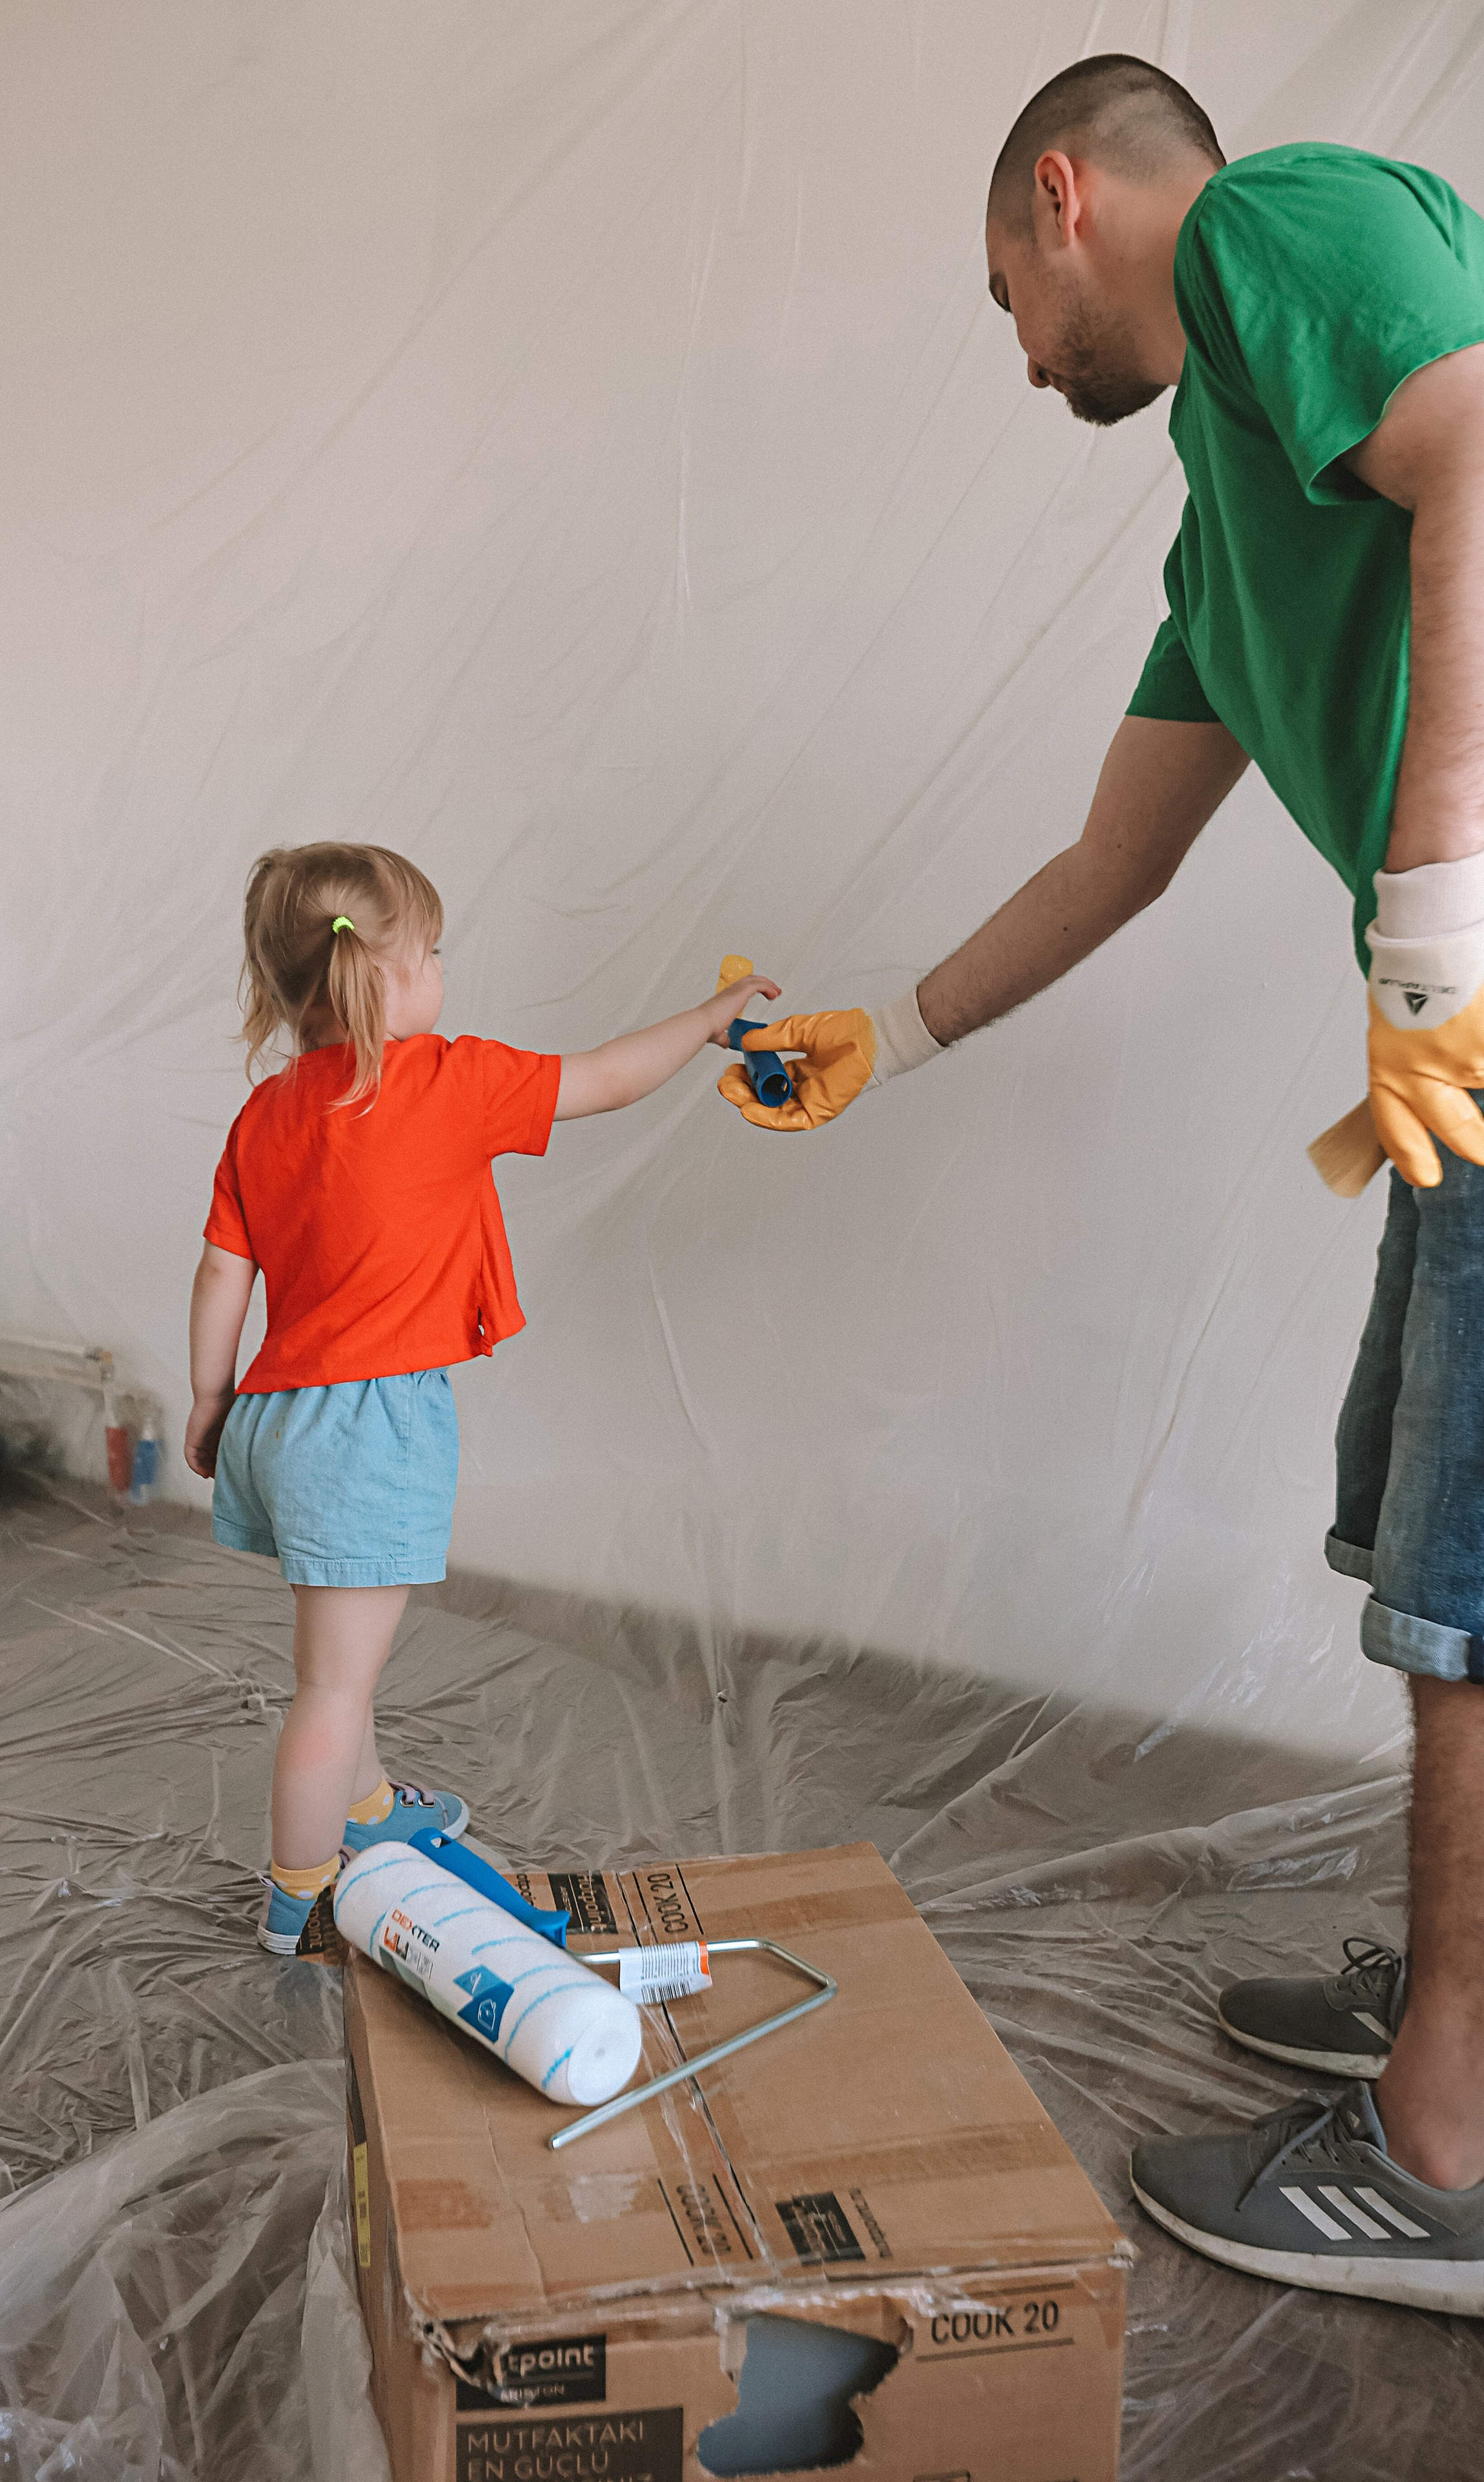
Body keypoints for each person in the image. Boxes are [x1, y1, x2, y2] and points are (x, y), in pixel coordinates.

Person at [717, 54, 1484, 2313]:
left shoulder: (1276, 230)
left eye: (1001, 295)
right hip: (1461, 1051)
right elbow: (1116, 856)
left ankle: (1446, 2149)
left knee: (1465, 1584)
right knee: (1420, 1522)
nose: (1017, 346)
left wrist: (1436, 894)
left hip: (1479, 994)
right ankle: (1459, 2000)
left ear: (1069, 200)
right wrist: (902, 1025)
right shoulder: (1222, 500)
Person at [187, 842, 776, 1955]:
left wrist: (211, 1403)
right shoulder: (445, 1080)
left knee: (338, 1663)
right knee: (331, 1685)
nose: (444, 970)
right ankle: (300, 1898)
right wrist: (707, 1020)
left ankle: (366, 1812)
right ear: (392, 974)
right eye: (438, 951)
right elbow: (603, 1076)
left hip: (274, 1416)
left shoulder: (264, 1116)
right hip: (365, 1427)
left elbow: (225, 1271)